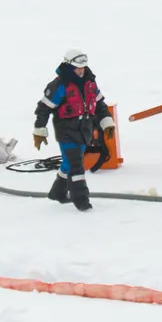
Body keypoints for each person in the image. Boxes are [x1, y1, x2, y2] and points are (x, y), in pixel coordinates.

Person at [33, 49, 114, 212]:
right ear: (69, 66)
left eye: (83, 67)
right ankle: (82, 201)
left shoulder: (90, 83)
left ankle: (58, 192)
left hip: (84, 130)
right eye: (77, 68)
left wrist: (107, 122)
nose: (81, 70)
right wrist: (39, 129)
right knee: (77, 166)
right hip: (66, 131)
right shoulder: (59, 86)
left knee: (69, 163)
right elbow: (44, 108)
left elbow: (99, 104)